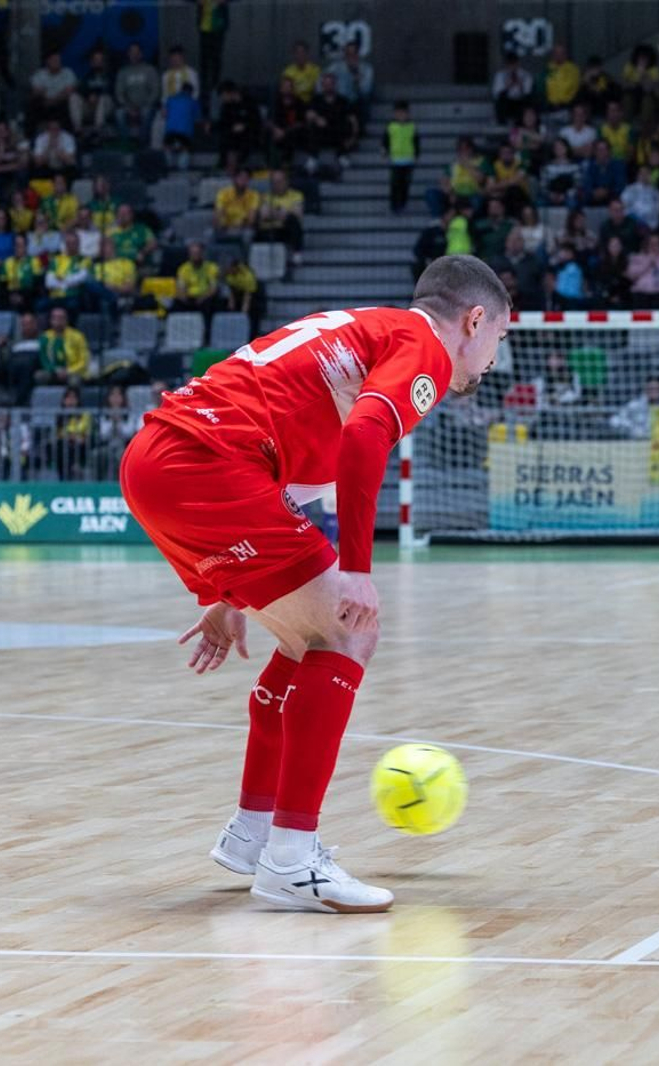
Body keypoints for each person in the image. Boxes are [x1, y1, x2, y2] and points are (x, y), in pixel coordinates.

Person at [119, 257, 506, 913]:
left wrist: (226, 595)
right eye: (499, 336)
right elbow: (365, 438)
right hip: (208, 465)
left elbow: (296, 492)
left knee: (308, 643)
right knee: (350, 632)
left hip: (158, 461)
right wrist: (357, 567)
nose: (494, 356)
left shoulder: (364, 336)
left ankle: (254, 834)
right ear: (473, 321)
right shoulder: (424, 351)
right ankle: (293, 861)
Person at [115, 41, 161, 146]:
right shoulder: (123, 72)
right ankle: (126, 144)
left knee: (146, 112)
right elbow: (119, 93)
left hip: (146, 106)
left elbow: (155, 91)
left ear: (141, 54)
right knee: (119, 114)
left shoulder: (150, 70)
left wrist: (143, 106)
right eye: (132, 52)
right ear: (128, 54)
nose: (134, 55)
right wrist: (129, 107)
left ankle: (142, 144)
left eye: (136, 52)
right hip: (128, 107)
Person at [36, 306, 89, 385]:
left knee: (74, 381)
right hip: (53, 371)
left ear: (66, 320)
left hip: (72, 371)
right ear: (50, 320)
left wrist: (68, 371)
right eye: (55, 317)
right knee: (39, 376)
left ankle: (72, 397)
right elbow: (44, 360)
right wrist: (55, 370)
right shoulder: (45, 337)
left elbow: (83, 360)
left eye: (61, 317)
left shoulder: (78, 336)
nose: (58, 320)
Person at [386, 101, 418, 213]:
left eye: (403, 113)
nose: (401, 116)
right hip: (395, 160)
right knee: (395, 183)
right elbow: (386, 140)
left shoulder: (412, 126)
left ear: (408, 114)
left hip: (408, 160)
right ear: (395, 114)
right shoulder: (391, 126)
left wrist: (416, 154)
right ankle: (394, 204)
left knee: (405, 183)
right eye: (399, 113)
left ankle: (403, 203)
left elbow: (416, 141)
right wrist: (385, 150)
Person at [194, 0, 232, 92]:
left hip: (219, 25)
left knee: (216, 59)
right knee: (204, 60)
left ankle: (216, 87)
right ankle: (203, 89)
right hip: (204, 26)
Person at [214, 168, 261, 240]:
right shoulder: (223, 193)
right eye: (240, 177)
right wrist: (225, 226)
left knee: (248, 233)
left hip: (243, 228)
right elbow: (218, 214)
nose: (243, 181)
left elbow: (252, 219)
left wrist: (239, 227)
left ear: (249, 181)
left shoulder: (254, 195)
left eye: (246, 178)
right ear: (234, 179)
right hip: (225, 228)